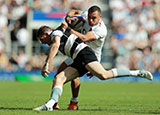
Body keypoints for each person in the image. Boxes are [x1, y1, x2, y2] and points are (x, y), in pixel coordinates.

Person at [33, 21, 153, 111]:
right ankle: (51, 104)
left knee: (104, 75)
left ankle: (137, 72)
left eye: (41, 39)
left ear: (47, 33)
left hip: (84, 54)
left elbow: (55, 45)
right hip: (77, 58)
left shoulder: (56, 34)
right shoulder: (59, 32)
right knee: (59, 78)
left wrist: (47, 63)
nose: (42, 42)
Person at [53, 5, 107, 110]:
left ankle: (73, 102)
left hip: (91, 56)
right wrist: (68, 16)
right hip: (78, 51)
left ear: (100, 17)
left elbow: (84, 38)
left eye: (94, 18)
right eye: (90, 17)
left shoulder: (101, 29)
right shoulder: (86, 15)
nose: (91, 20)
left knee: (72, 76)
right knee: (59, 72)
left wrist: (68, 29)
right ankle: (56, 103)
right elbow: (74, 11)